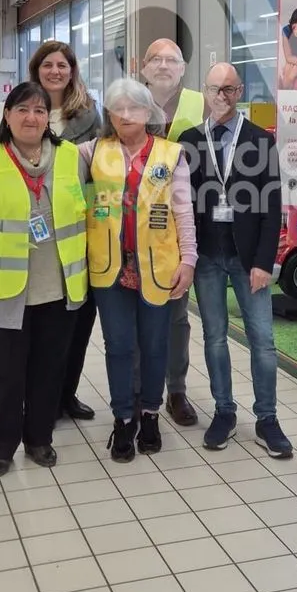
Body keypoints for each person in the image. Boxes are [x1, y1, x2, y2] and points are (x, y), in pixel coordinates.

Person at [0, 82, 89, 477]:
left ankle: (39, 438)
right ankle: (1, 447)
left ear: (48, 117)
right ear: (7, 116)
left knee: (49, 369)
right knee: (4, 374)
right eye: (22, 110)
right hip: (3, 288)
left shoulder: (70, 157)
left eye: (39, 110)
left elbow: (90, 208)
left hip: (59, 285)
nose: (31, 118)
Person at [81, 78, 197, 463]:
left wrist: (189, 260)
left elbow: (183, 211)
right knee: (118, 346)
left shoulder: (171, 154)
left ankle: (150, 414)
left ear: (149, 113)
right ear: (109, 114)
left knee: (154, 347)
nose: (126, 115)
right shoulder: (93, 151)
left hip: (157, 267)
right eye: (118, 108)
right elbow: (50, 159)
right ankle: (123, 419)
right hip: (110, 269)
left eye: (134, 108)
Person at [180, 62, 292, 458]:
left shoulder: (261, 141)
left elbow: (272, 206)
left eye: (230, 89)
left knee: (263, 341)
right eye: (215, 88)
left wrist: (264, 261)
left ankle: (267, 418)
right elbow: (182, 203)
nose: (222, 96)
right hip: (207, 256)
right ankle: (224, 411)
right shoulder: (189, 140)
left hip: (249, 261)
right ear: (205, 92)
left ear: (239, 90)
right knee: (214, 337)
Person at [29, 39, 100, 423]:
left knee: (79, 317)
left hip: (78, 229)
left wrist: (98, 218)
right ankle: (41, 396)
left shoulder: (88, 116)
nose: (55, 71)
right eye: (48, 65)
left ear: (72, 71)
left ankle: (66, 394)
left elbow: (101, 170)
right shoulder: (24, 109)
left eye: (63, 65)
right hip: (35, 233)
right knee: (42, 321)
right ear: (37, 69)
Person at [141, 37, 205, 426]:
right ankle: (135, 391)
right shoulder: (126, 100)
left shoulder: (200, 102)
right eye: (156, 59)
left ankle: (176, 390)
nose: (164, 65)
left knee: (177, 316)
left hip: (182, 221)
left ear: (183, 68)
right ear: (143, 67)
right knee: (136, 314)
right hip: (134, 225)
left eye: (172, 60)